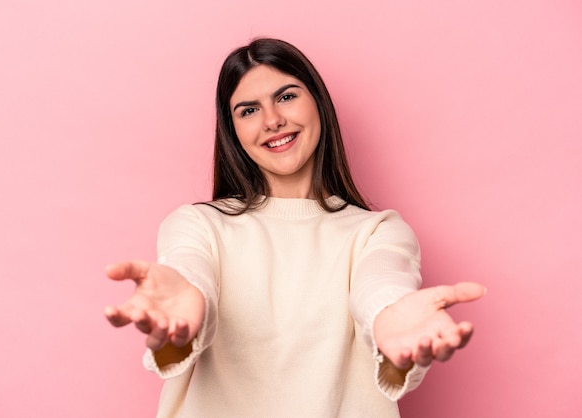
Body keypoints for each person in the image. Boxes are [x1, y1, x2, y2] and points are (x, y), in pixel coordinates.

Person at [104, 38, 485, 417]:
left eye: (286, 97)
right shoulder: (199, 225)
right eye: (249, 110)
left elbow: (380, 285)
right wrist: (185, 309)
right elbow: (190, 272)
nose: (272, 121)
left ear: (317, 101)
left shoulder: (377, 231)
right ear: (232, 130)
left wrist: (389, 316)